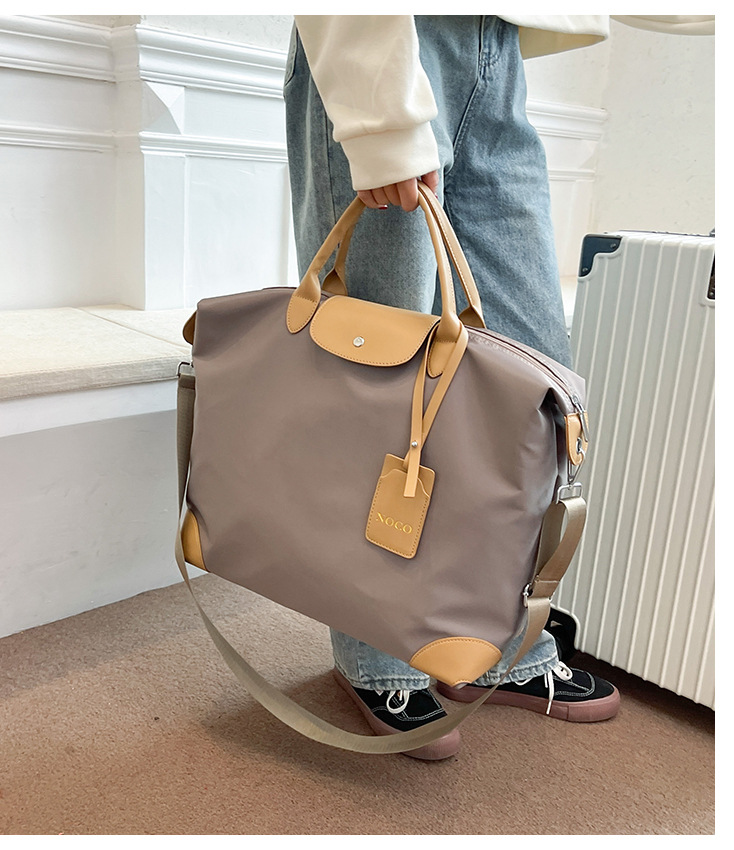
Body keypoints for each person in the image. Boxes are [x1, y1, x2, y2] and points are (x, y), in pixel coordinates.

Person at [282, 14, 713, 760]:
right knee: (382, 387)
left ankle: (496, 643)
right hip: (388, 36)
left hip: (498, 46)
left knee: (533, 383)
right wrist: (381, 119)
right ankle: (377, 655)